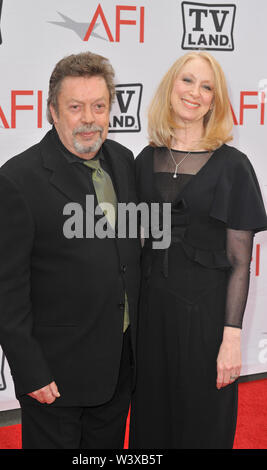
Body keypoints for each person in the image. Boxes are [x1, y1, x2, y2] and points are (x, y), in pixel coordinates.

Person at [0, 51, 141, 449]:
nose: (88, 118)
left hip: (118, 367)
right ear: (52, 110)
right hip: (56, 378)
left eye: (99, 106)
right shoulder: (17, 181)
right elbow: (6, 291)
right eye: (75, 107)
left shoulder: (123, 162)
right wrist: (31, 371)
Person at [129, 51, 267, 449]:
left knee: (203, 428)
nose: (195, 92)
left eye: (207, 87)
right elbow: (134, 247)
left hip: (207, 324)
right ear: (170, 88)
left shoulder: (233, 166)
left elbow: (241, 263)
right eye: (187, 81)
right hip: (153, 320)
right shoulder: (144, 160)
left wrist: (231, 338)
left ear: (215, 100)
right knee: (151, 427)